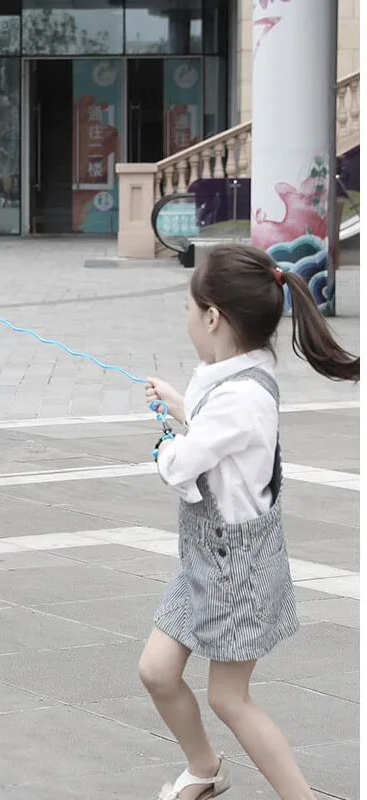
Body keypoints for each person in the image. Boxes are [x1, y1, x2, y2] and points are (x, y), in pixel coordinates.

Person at [140, 244, 358, 799]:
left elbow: (180, 464)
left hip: (236, 571)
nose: (187, 318)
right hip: (207, 560)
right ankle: (206, 770)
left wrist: (164, 444)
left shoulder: (239, 397)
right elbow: (215, 429)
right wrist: (180, 404)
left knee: (228, 698)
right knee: (158, 671)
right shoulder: (240, 378)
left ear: (212, 317)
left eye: (189, 309)